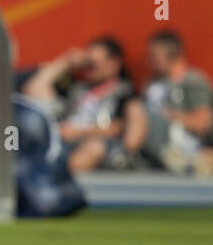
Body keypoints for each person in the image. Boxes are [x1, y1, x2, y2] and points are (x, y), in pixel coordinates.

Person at [21, 37, 132, 173]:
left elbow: (121, 127)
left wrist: (77, 132)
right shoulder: (76, 87)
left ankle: (58, 181)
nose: (89, 69)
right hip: (63, 142)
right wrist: (65, 61)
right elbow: (33, 89)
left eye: (94, 64)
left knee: (94, 148)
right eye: (87, 63)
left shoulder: (124, 91)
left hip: (96, 144)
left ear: (113, 64)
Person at [119, 32, 212, 174]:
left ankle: (124, 156)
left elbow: (201, 124)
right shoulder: (151, 83)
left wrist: (168, 116)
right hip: (152, 141)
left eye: (154, 56)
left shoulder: (193, 81)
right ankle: (129, 158)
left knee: (135, 107)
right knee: (134, 109)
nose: (149, 62)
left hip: (179, 138)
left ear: (172, 54)